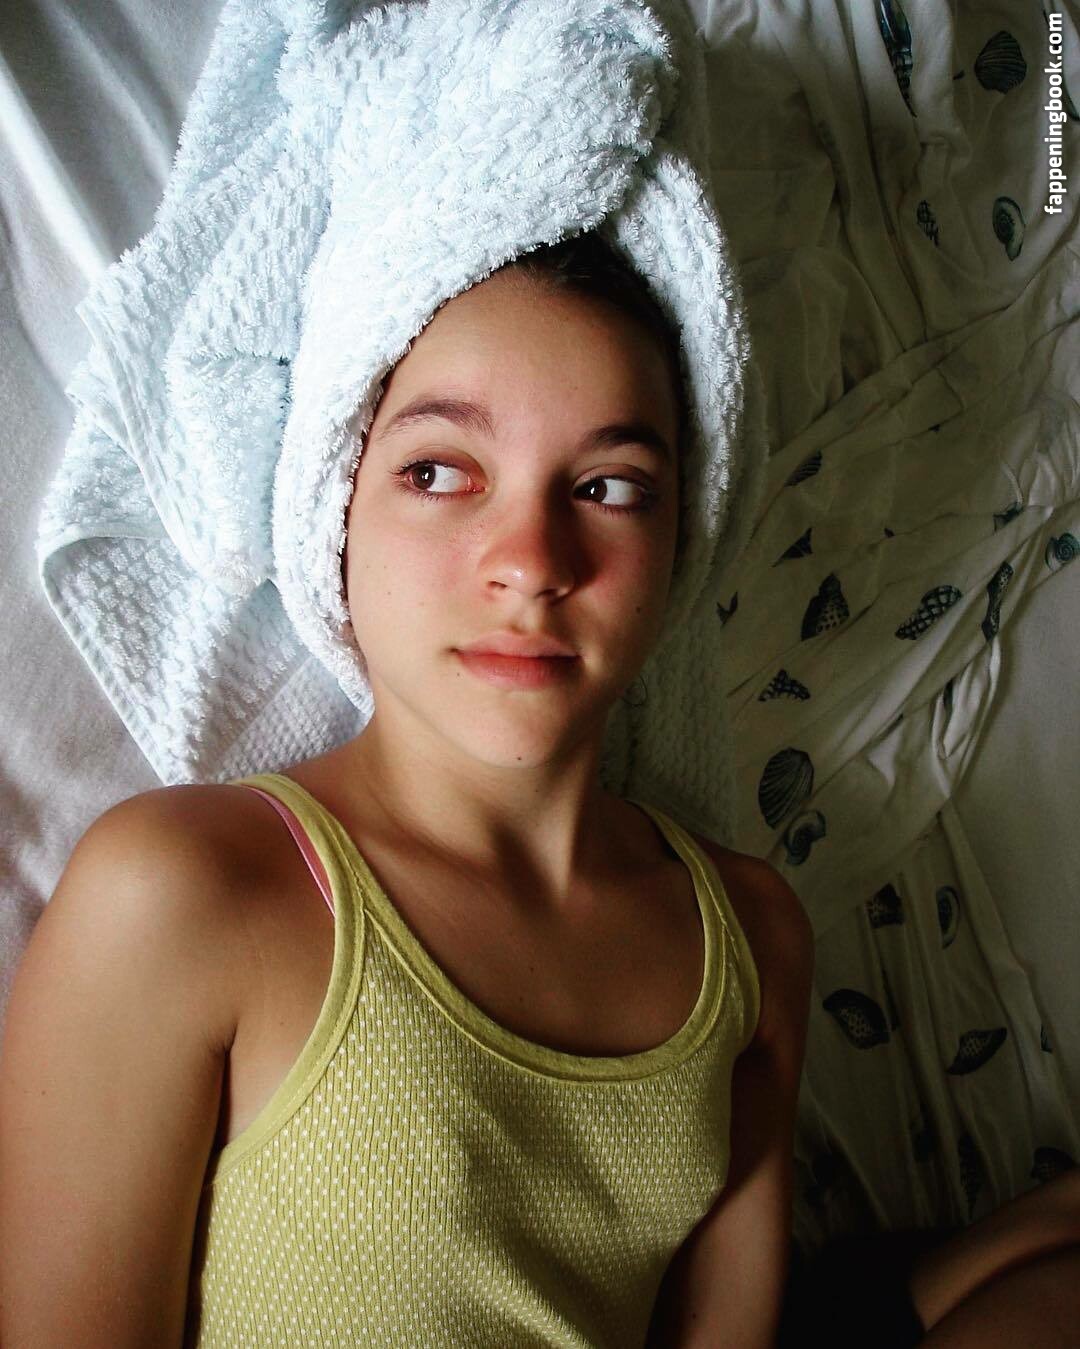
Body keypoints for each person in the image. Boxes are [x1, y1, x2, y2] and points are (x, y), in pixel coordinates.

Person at [0, 233, 816, 1347]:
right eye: (436, 472)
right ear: (334, 506)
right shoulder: (180, 892)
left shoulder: (755, 938)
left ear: (681, 546)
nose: (531, 561)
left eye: (610, 486)